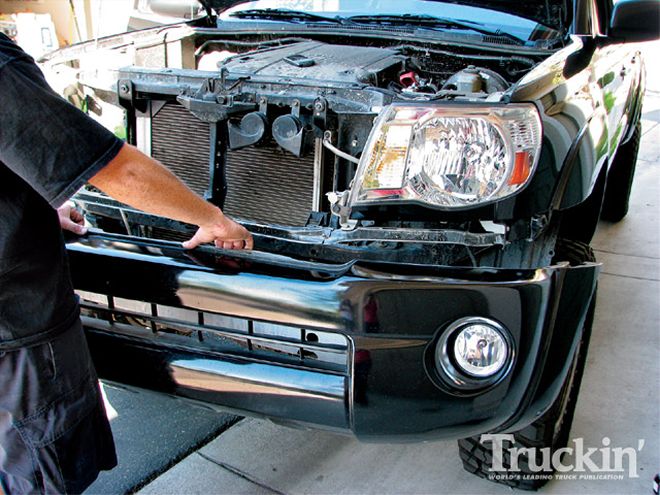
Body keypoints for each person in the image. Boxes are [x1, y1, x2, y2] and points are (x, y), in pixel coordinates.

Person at [0, 33, 252, 494]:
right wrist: (212, 219)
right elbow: (119, 171)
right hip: (15, 331)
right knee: (38, 471)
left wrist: (30, 203)